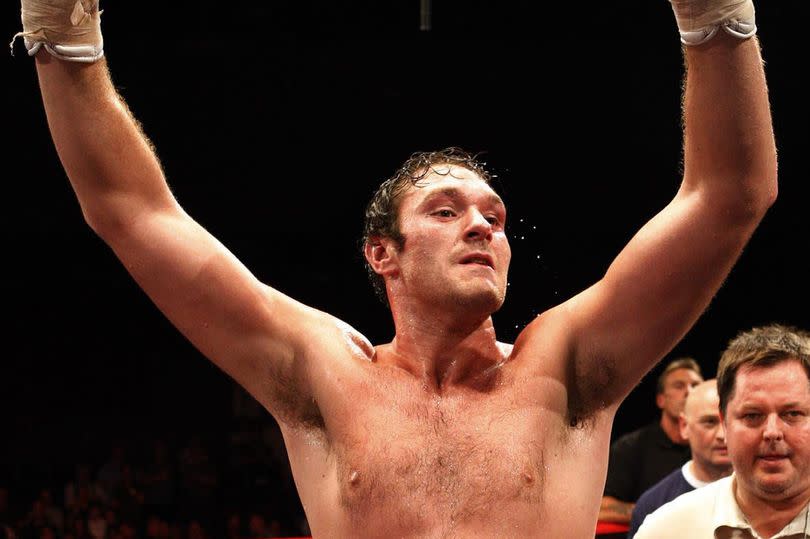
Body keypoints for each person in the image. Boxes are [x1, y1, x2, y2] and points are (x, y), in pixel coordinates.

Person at [13, 0, 777, 535]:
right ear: (383, 253)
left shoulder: (568, 364)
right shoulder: (323, 372)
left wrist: (712, 16)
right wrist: (61, 33)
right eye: (446, 211)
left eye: (496, 216)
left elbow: (730, 194)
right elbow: (131, 212)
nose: (482, 223)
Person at [635, 324, 810, 538]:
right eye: (752, 415)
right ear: (725, 424)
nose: (772, 432)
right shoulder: (665, 530)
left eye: (792, 413)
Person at [600, 357, 703, 523]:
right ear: (661, 400)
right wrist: (662, 514)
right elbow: (602, 508)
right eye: (679, 386)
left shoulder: (714, 446)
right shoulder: (631, 446)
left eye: (696, 386)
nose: (689, 391)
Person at [627, 378, 732, 538]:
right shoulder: (654, 504)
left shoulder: (768, 494)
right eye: (709, 422)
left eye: (729, 422)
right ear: (684, 426)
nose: (722, 435)